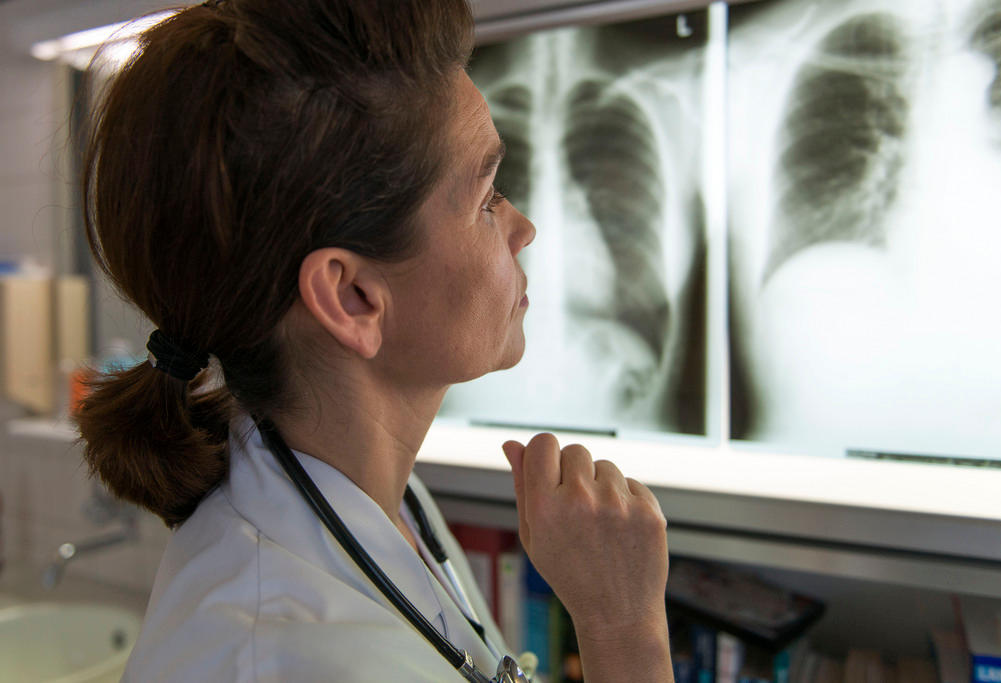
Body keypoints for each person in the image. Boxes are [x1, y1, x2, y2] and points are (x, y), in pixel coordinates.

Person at [74, 0, 673, 680]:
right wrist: (624, 627)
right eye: (486, 198)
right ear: (353, 298)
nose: (524, 226)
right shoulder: (288, 657)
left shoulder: (372, 500)